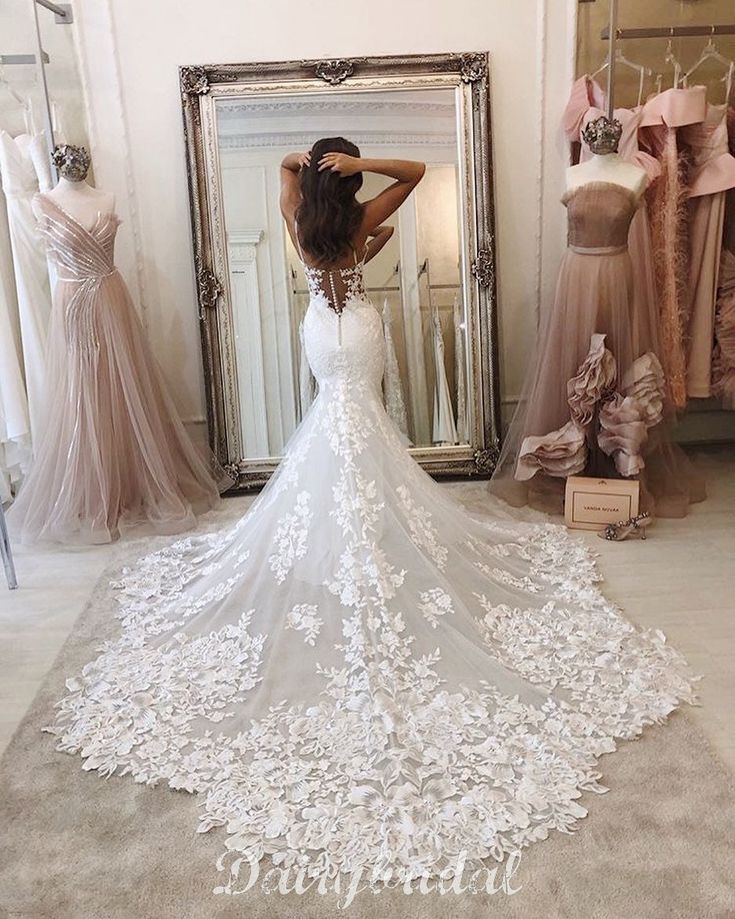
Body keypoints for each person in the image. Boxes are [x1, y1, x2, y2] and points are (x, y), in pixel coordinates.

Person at [45, 136, 696, 890]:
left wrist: (315, 164)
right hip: (357, 328)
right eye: (344, 170)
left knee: (337, 428)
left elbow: (289, 170)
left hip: (323, 336)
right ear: (346, 180)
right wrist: (362, 170)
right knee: (364, 428)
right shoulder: (361, 222)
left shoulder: (299, 219)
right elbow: (418, 172)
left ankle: (342, 547)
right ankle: (371, 544)